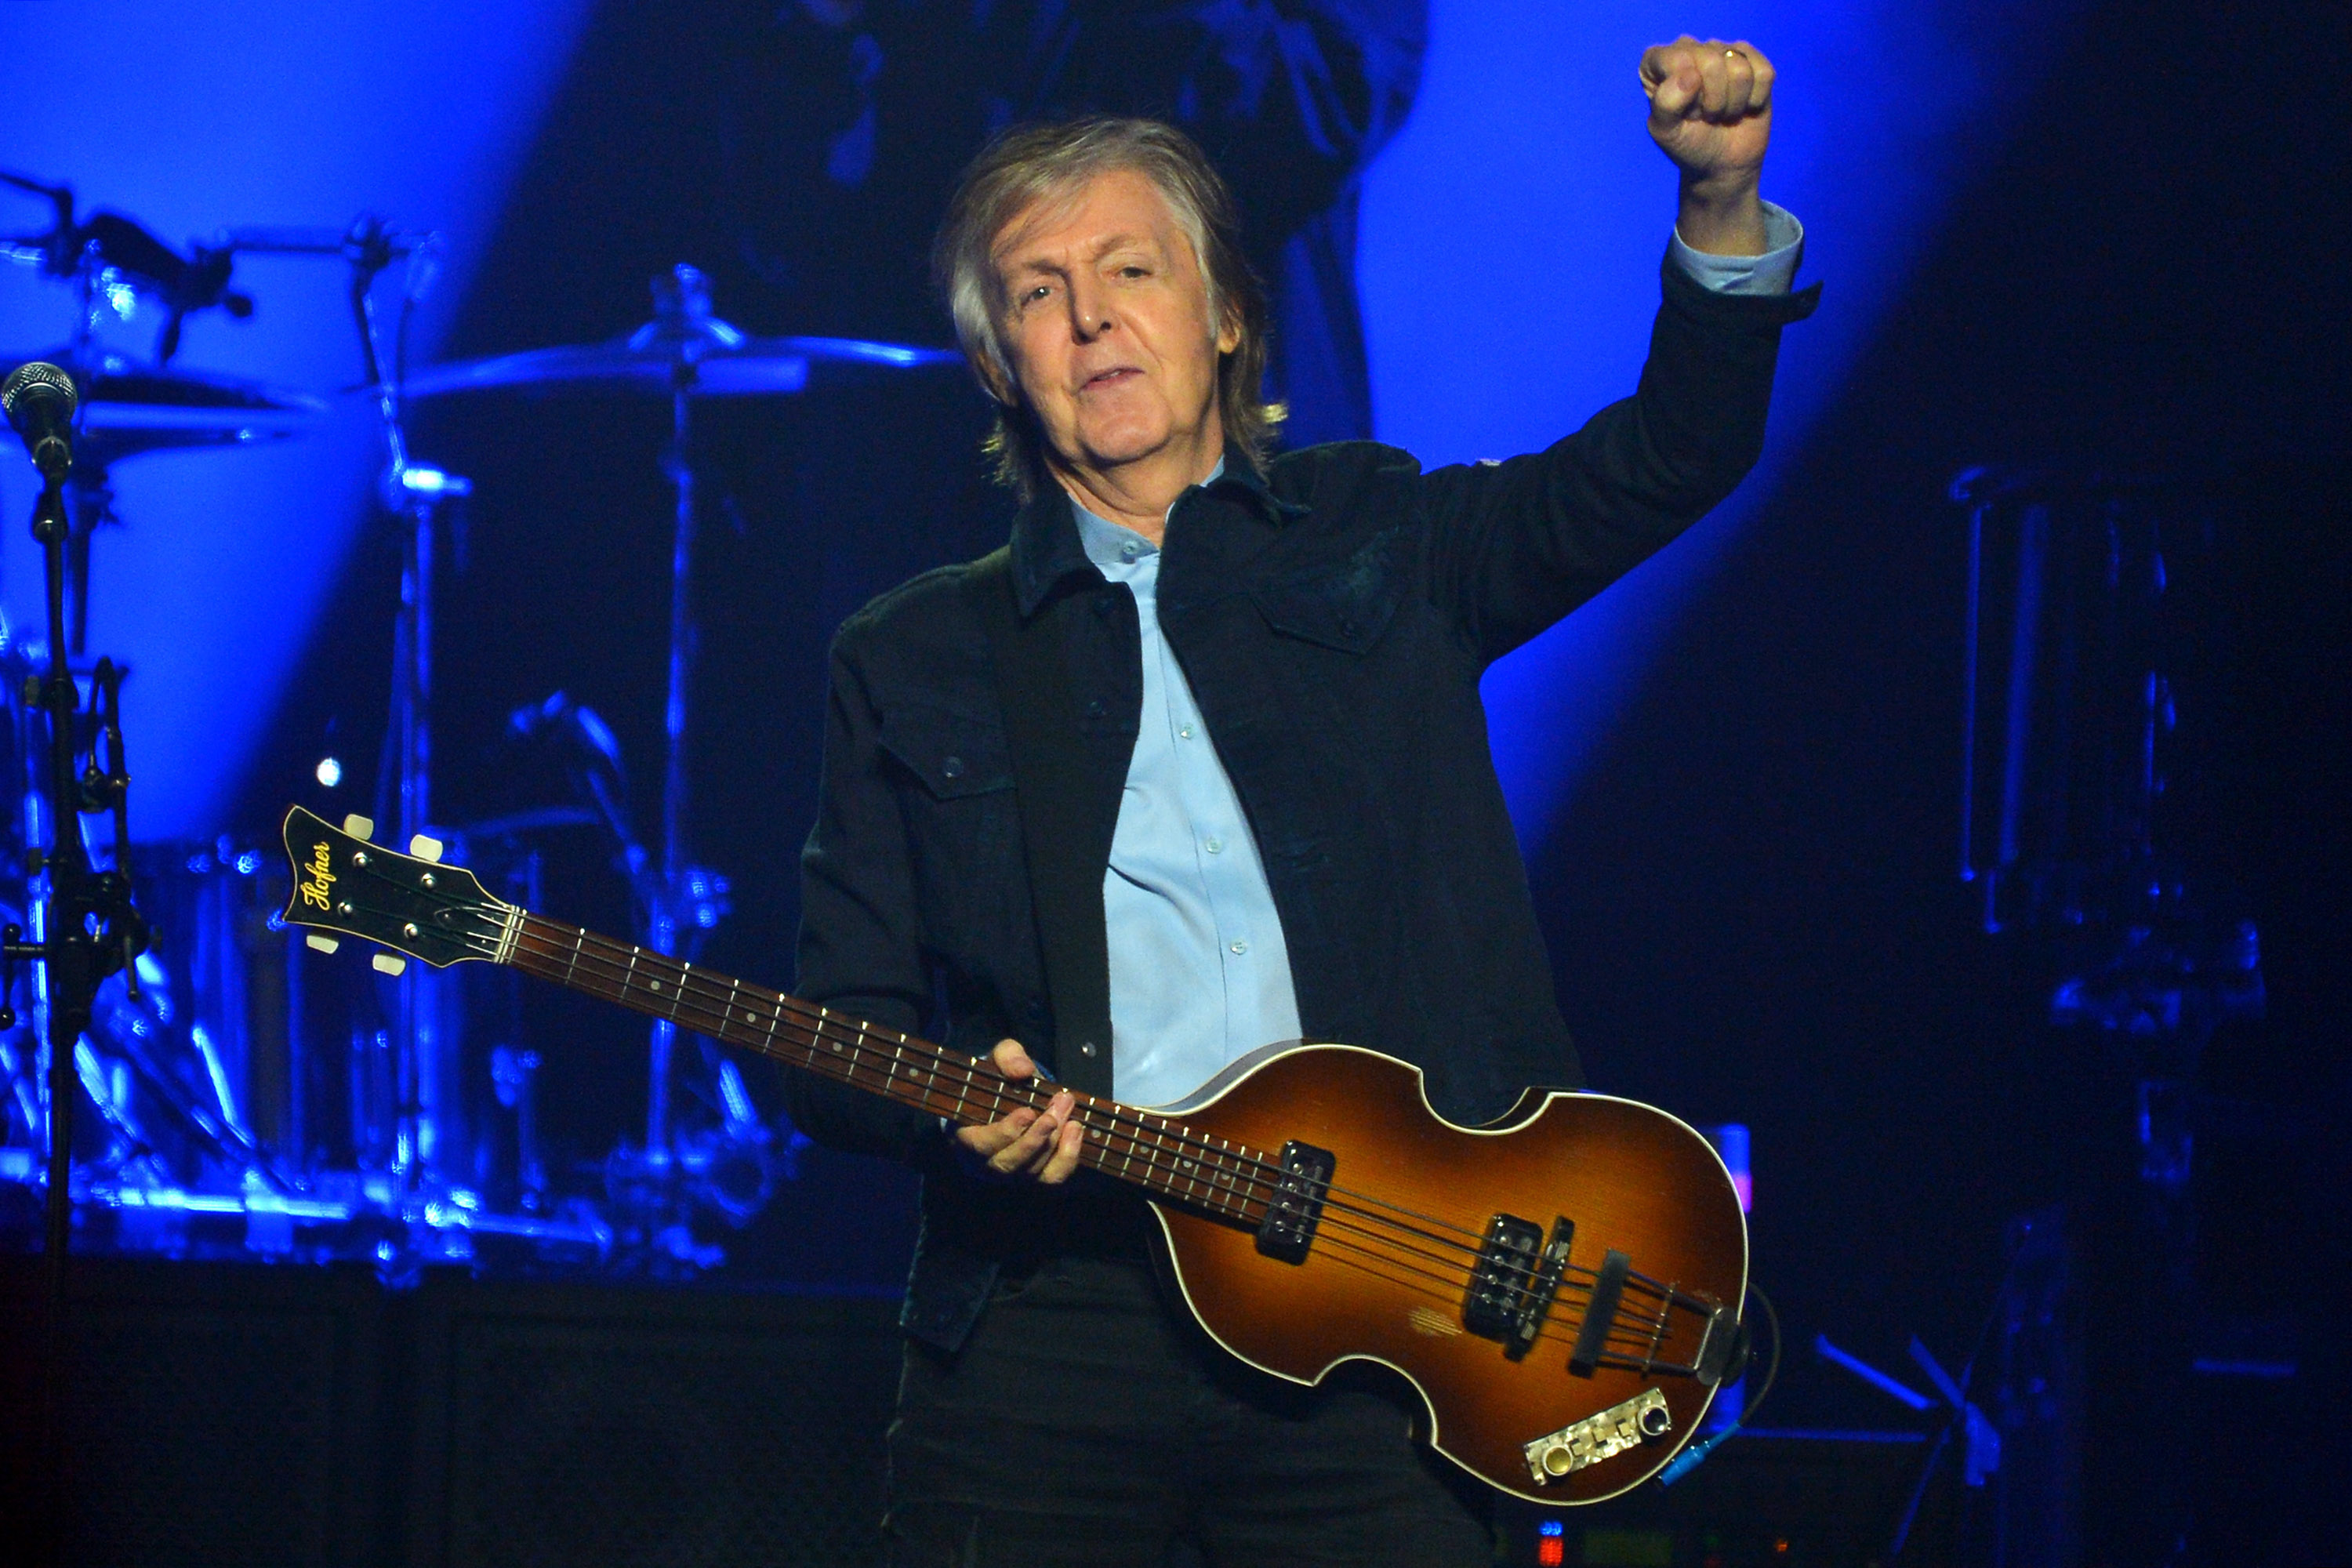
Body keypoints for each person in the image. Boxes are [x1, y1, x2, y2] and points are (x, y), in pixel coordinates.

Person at [785, 34, 1817, 1565]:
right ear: (999, 364)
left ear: (1225, 316)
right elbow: (833, 1030)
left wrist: (1722, 203)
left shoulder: (1382, 538)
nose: (1091, 321)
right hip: (1053, 1316)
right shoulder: (912, 651)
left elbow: (1673, 455)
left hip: (1391, 1303)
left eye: (1130, 269)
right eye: (1037, 293)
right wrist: (957, 1108)